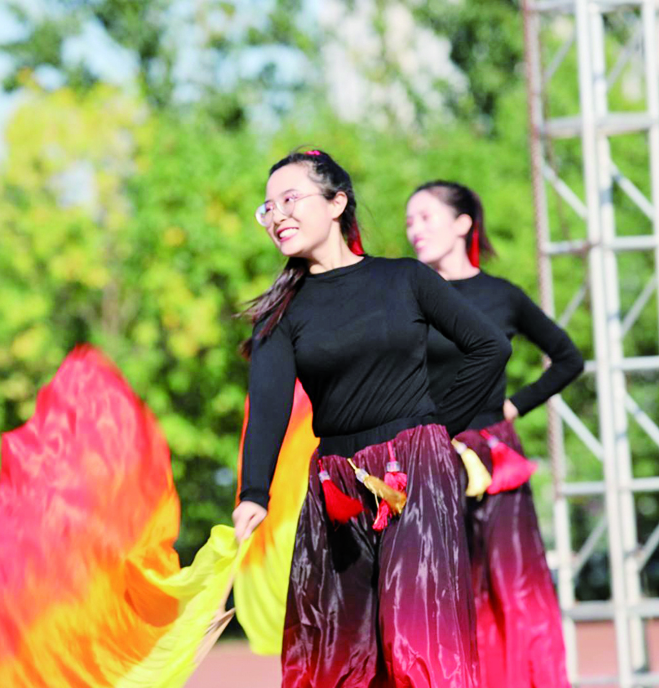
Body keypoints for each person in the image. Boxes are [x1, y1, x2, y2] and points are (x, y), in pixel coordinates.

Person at [232, 150, 511, 687]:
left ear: (336, 203)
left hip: (417, 476)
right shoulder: (279, 314)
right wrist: (254, 493)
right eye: (267, 208)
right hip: (336, 488)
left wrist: (435, 430)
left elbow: (490, 347)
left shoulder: (404, 279)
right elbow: (267, 408)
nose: (277, 216)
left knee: (416, 642)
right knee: (341, 652)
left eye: (289, 200)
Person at [406, 180, 583, 688]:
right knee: (433, 590)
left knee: (511, 588)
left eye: (426, 217)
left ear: (463, 224)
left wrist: (513, 405)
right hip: (427, 457)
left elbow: (568, 358)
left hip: (493, 457)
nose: (414, 230)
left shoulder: (501, 295)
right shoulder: (407, 293)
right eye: (409, 222)